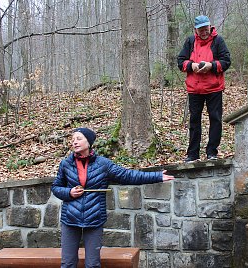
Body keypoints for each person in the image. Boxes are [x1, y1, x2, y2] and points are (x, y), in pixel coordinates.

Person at [51, 127, 174, 268]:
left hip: (94, 218)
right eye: (73, 140)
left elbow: (128, 176)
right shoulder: (66, 164)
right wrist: (69, 193)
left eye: (79, 139)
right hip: (70, 219)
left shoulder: (103, 164)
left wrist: (156, 176)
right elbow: (56, 187)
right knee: (67, 264)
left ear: (89, 142)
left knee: (92, 265)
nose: (75, 142)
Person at [177, 15, 231, 162]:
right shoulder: (190, 41)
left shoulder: (218, 41)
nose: (204, 32)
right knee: (194, 121)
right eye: (201, 29)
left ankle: (212, 152)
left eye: (206, 29)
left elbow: (226, 61)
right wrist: (191, 66)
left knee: (215, 119)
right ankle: (193, 154)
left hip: (214, 88)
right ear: (196, 30)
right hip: (195, 89)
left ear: (210, 27)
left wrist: (211, 66)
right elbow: (180, 61)